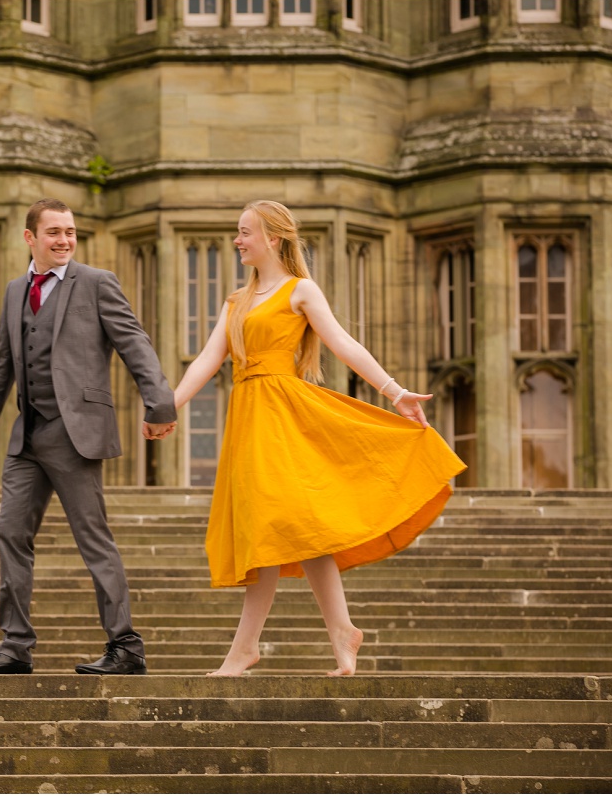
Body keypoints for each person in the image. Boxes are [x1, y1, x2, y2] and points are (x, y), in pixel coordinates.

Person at [170, 200, 466, 677]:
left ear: (273, 238)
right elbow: (205, 361)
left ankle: (247, 649)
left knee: (277, 526)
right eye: (237, 232)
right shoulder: (235, 302)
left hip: (287, 416)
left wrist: (394, 392)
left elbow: (344, 343)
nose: (237, 240)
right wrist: (169, 405)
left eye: (245, 233)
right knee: (291, 529)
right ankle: (338, 632)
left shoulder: (300, 290)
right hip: (250, 418)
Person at [0, 198, 177, 676]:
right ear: (30, 237)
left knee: (93, 538)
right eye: (53, 232)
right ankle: (15, 647)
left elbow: (134, 341)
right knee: (10, 533)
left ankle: (126, 646)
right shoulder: (16, 290)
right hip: (27, 440)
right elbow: (0, 370)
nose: (64, 240)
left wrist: (159, 402)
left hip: (77, 434)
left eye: (70, 232)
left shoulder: (96, 283)